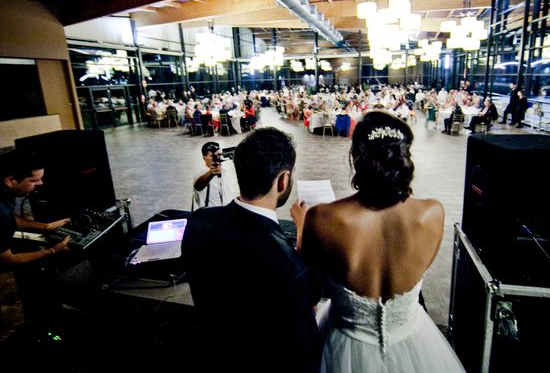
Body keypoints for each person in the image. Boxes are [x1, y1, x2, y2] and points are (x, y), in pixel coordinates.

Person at [292, 111, 464, 372]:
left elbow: (312, 293)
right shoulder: (433, 212)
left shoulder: (323, 217)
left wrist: (303, 228)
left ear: (355, 157)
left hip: (345, 347)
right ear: (404, 156)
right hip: (414, 344)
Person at [181, 128, 321, 373]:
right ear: (283, 180)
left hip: (214, 354)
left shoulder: (199, 223)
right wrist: (303, 233)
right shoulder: (289, 266)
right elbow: (304, 318)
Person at [0, 150, 71, 324]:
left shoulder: (4, 192)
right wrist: (52, 251)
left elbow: (11, 218)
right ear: (11, 180)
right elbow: (7, 259)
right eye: (34, 180)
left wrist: (44, 227)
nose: (40, 183)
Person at [192, 141, 231, 211]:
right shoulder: (200, 175)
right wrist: (211, 173)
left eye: (219, 154)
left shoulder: (224, 172)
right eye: (212, 155)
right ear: (204, 158)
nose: (218, 157)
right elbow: (198, 187)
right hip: (208, 216)